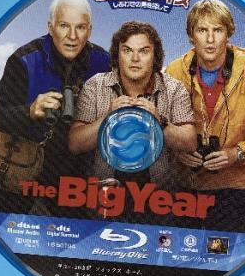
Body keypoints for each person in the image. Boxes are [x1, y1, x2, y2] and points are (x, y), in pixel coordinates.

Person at [165, 0, 245, 231]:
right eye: (202, 30)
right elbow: (159, 124)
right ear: (191, 35)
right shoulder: (173, 72)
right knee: (180, 248)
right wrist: (178, 151)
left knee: (219, 250)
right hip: (184, 182)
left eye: (218, 30)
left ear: (228, 33)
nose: (210, 39)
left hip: (232, 185)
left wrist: (238, 153)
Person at [0, 0, 110, 213]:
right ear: (50, 27)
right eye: (64, 26)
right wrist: (30, 111)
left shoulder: (103, 62)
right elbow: (0, 116)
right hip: (24, 157)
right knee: (4, 225)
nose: (72, 36)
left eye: (80, 27)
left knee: (75, 230)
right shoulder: (24, 60)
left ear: (89, 30)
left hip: (72, 167)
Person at [69, 21, 196, 197]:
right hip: (103, 195)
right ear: (117, 54)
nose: (135, 59)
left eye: (144, 51)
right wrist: (106, 119)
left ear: (155, 56)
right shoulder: (95, 85)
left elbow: (190, 143)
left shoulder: (174, 89)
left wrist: (160, 122)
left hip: (160, 197)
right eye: (127, 50)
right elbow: (75, 144)